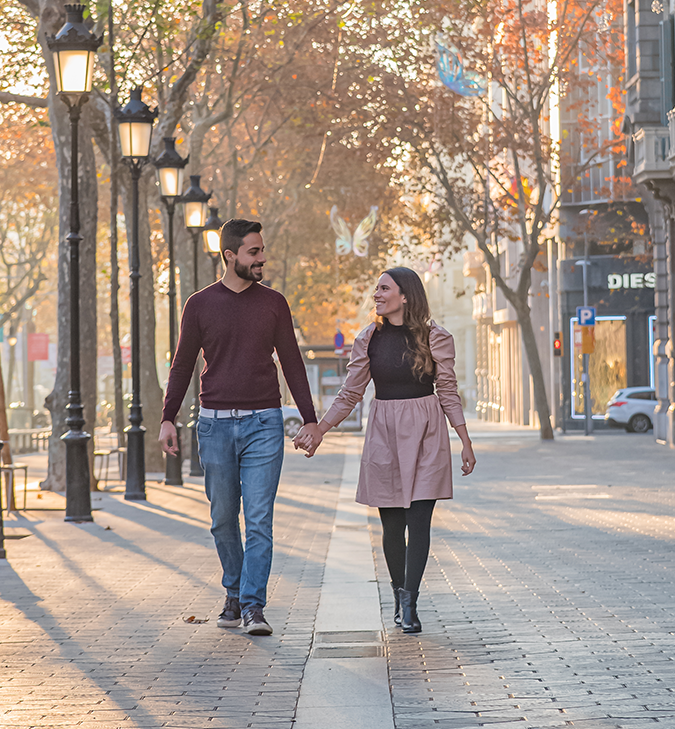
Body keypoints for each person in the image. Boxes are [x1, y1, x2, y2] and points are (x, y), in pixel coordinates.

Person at [159, 218, 318, 636]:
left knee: (260, 519)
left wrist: (310, 418)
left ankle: (252, 605)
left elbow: (292, 363)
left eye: (262, 250)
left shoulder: (274, 303)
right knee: (223, 519)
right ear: (230, 256)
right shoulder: (199, 304)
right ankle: (233, 589)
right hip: (214, 427)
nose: (262, 258)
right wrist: (166, 418)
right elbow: (182, 365)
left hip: (264, 422)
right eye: (253, 252)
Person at [294, 267, 475, 633]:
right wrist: (321, 429)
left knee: (419, 520)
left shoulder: (435, 337)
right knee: (392, 525)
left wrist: (465, 440)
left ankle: (410, 602)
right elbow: (351, 393)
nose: (376, 294)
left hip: (426, 432)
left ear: (405, 295)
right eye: (376, 287)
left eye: (384, 288)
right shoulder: (368, 340)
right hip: (384, 434)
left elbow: (448, 391)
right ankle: (398, 595)